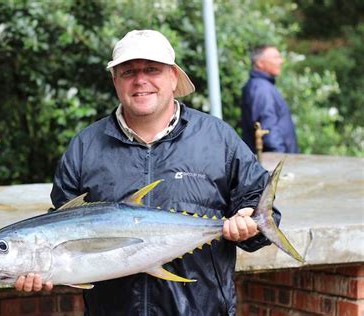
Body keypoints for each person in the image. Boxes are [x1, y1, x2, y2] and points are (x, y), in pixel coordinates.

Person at [15, 30, 281, 315]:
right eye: (128, 72)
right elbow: (62, 228)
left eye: (152, 69)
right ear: (115, 81)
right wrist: (42, 269)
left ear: (173, 77)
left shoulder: (218, 139)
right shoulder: (85, 146)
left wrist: (248, 225)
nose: (140, 80)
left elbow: (264, 213)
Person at [241, 45, 299, 153]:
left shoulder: (261, 86)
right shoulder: (261, 88)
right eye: (276, 57)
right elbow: (268, 129)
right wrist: (281, 159)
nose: (281, 61)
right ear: (260, 63)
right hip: (275, 163)